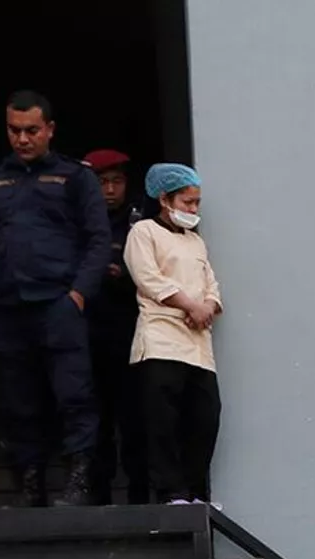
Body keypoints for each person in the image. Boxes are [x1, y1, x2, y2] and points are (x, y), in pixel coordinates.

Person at [0, 89, 109, 507]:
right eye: (14, 130)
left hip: (58, 304)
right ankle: (31, 486)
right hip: (8, 308)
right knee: (19, 401)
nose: (22, 139)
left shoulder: (75, 177)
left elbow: (98, 241)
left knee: (73, 395)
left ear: (49, 129)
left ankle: (78, 483)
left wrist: (78, 295)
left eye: (31, 130)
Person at [124, 163, 222, 505]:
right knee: (163, 420)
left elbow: (211, 283)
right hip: (161, 338)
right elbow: (148, 278)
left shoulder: (196, 242)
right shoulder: (144, 232)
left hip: (198, 343)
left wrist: (207, 305)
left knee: (205, 418)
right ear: (165, 199)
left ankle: (195, 490)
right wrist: (189, 305)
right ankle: (171, 491)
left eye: (196, 203)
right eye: (186, 202)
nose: (193, 209)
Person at [83, 148, 146, 504]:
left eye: (116, 181)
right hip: (88, 334)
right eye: (102, 182)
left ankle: (139, 497)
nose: (110, 190)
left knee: (134, 420)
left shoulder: (139, 222)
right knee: (96, 422)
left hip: (129, 334)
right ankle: (99, 499)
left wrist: (123, 276)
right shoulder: (77, 222)